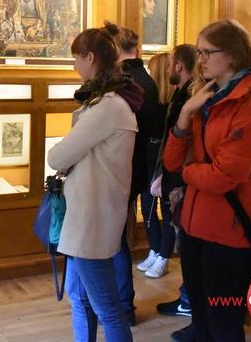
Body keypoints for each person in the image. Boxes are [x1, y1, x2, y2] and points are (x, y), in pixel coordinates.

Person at [163, 19, 251, 342]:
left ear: (232, 54)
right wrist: (185, 114)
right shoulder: (206, 97)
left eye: (207, 52)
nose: (200, 60)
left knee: (225, 324)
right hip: (194, 226)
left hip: (229, 232)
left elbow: (222, 178)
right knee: (201, 319)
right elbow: (171, 162)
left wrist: (188, 170)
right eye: (198, 52)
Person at [48, 23, 144, 342]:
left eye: (76, 57)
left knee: (108, 309)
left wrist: (62, 149)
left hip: (92, 218)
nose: (75, 65)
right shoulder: (105, 103)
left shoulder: (107, 107)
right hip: (89, 215)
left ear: (90, 57)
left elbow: (57, 157)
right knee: (79, 297)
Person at [103, 23, 159, 325]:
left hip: (121, 170)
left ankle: (123, 306)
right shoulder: (146, 79)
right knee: (118, 237)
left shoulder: (123, 83)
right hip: (139, 169)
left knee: (114, 240)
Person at [153, 45, 197, 325]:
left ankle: (190, 301)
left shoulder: (190, 97)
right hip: (176, 179)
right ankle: (187, 297)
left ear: (179, 65)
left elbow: (184, 143)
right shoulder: (182, 95)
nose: (169, 69)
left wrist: (175, 178)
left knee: (189, 246)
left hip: (183, 182)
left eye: (171, 64)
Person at [136, 53, 174, 279]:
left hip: (165, 156)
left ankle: (164, 255)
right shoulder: (151, 98)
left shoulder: (173, 100)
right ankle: (155, 249)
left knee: (167, 208)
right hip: (150, 155)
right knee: (148, 204)